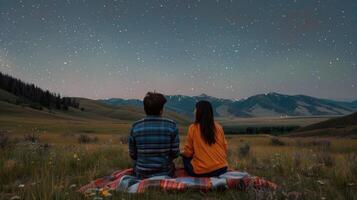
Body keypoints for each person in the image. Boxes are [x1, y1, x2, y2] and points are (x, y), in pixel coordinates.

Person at [128, 92, 180, 179]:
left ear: (145, 109)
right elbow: (175, 153)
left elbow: (133, 154)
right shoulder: (172, 125)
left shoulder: (135, 127)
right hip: (165, 172)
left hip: (141, 173)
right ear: (161, 110)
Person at [182, 100, 228, 177]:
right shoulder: (219, 127)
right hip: (222, 168)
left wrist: (182, 153)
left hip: (202, 171)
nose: (194, 111)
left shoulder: (193, 128)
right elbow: (224, 148)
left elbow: (188, 152)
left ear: (199, 111)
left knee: (185, 158)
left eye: (195, 109)